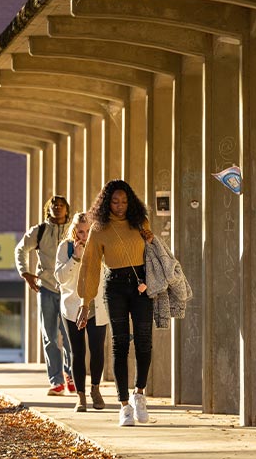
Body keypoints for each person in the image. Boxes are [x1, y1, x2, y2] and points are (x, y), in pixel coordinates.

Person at [76, 179, 154, 426]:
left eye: (123, 201)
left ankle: (139, 393)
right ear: (106, 203)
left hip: (141, 284)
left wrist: (150, 239)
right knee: (120, 343)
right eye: (115, 201)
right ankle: (123, 406)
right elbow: (90, 266)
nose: (119, 206)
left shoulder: (140, 222)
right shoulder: (99, 229)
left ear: (129, 201)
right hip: (115, 287)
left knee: (144, 340)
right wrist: (85, 302)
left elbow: (152, 252)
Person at [15, 195, 74, 396]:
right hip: (47, 289)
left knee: (70, 337)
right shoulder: (39, 231)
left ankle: (71, 376)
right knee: (49, 336)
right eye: (53, 205)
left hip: (69, 290)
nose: (57, 208)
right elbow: (20, 249)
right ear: (48, 209)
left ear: (67, 209)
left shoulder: (73, 230)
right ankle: (56, 382)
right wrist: (25, 273)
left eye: (61, 205)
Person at [54, 212, 109, 412]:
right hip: (72, 308)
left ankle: (95, 389)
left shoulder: (101, 246)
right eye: (80, 232)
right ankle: (81, 396)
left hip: (97, 306)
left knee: (97, 350)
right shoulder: (65, 248)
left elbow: (108, 272)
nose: (84, 236)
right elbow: (60, 278)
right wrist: (75, 258)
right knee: (78, 352)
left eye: (88, 231)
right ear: (74, 231)